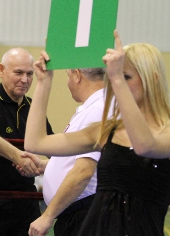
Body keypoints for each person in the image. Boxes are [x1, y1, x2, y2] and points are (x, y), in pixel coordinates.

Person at [25, 30, 170, 236]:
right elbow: (35, 142)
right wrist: (43, 82)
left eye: (125, 76)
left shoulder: (165, 132)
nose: (114, 82)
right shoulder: (106, 130)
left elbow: (144, 145)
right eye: (113, 77)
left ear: (152, 79)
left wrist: (117, 79)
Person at [0, 48, 53, 236]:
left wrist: (45, 165)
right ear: (1, 70)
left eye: (30, 74)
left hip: (27, 201)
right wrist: (17, 156)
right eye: (18, 73)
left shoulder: (32, 106)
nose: (25, 80)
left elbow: (54, 148)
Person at [25, 67, 107, 236]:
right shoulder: (93, 108)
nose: (68, 83)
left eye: (68, 76)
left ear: (77, 75)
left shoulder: (97, 110)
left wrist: (48, 216)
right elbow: (85, 158)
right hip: (79, 212)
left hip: (84, 214)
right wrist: (47, 164)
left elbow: (84, 171)